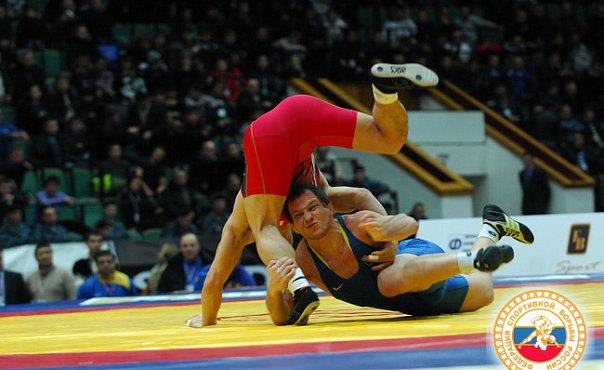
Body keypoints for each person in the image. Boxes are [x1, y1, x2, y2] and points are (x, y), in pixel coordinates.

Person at [191, 63, 440, 328]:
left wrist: (206, 318)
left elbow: (214, 279)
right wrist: (387, 235)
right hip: (301, 110)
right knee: (389, 139)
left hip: (268, 136)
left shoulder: (240, 228)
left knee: (264, 227)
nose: (305, 220)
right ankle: (384, 92)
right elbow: (360, 196)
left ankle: (300, 288)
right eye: (299, 216)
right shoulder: (312, 190)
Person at [264, 184, 534, 325]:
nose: (308, 217)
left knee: (388, 280)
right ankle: (492, 227)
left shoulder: (358, 224)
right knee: (485, 290)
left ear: (330, 208)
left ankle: (470, 260)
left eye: (313, 208)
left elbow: (410, 224)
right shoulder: (304, 262)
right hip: (420, 305)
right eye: (299, 214)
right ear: (293, 226)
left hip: (414, 258)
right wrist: (274, 290)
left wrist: (391, 233)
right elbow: (284, 317)